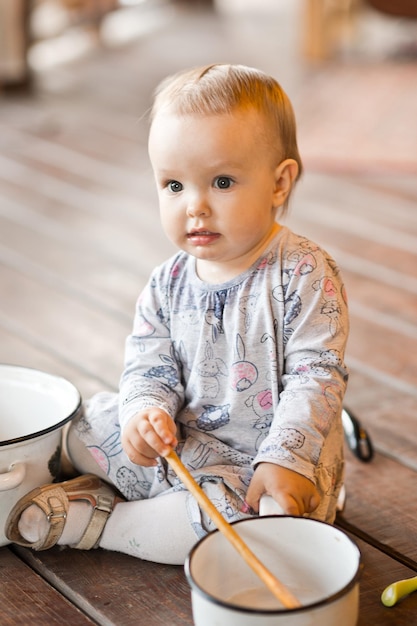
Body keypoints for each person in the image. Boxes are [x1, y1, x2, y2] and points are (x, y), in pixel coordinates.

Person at [6, 64, 349, 565]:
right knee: (84, 422)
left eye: (223, 181)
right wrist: (145, 413)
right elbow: (149, 364)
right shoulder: (168, 281)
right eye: (173, 185)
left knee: (257, 526)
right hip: (180, 444)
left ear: (279, 184)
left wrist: (285, 459)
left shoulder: (303, 273)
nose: (195, 207)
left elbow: (316, 376)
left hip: (260, 467)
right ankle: (118, 484)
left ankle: (104, 523)